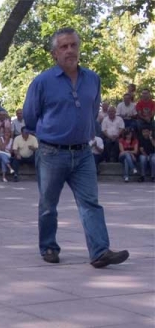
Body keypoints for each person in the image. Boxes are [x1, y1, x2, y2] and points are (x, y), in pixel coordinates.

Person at [23, 27, 128, 268]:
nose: (70, 50)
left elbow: (93, 110)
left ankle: (100, 251)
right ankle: (48, 246)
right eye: (64, 46)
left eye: (73, 45)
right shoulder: (42, 82)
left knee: (91, 202)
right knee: (48, 205)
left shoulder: (93, 79)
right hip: (51, 153)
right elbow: (30, 116)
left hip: (83, 153)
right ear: (54, 54)